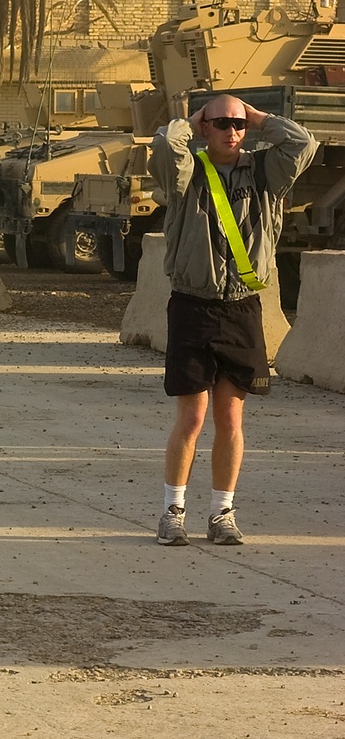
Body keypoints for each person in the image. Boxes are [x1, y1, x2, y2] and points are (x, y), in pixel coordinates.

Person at [148, 93, 317, 547]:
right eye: (220, 122)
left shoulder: (264, 172)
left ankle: (222, 513)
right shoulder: (186, 173)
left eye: (238, 124)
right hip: (193, 304)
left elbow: (303, 143)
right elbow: (165, 147)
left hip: (242, 306)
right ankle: (172, 512)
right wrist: (192, 119)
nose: (231, 131)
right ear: (206, 127)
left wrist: (258, 117)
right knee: (193, 416)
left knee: (231, 416)